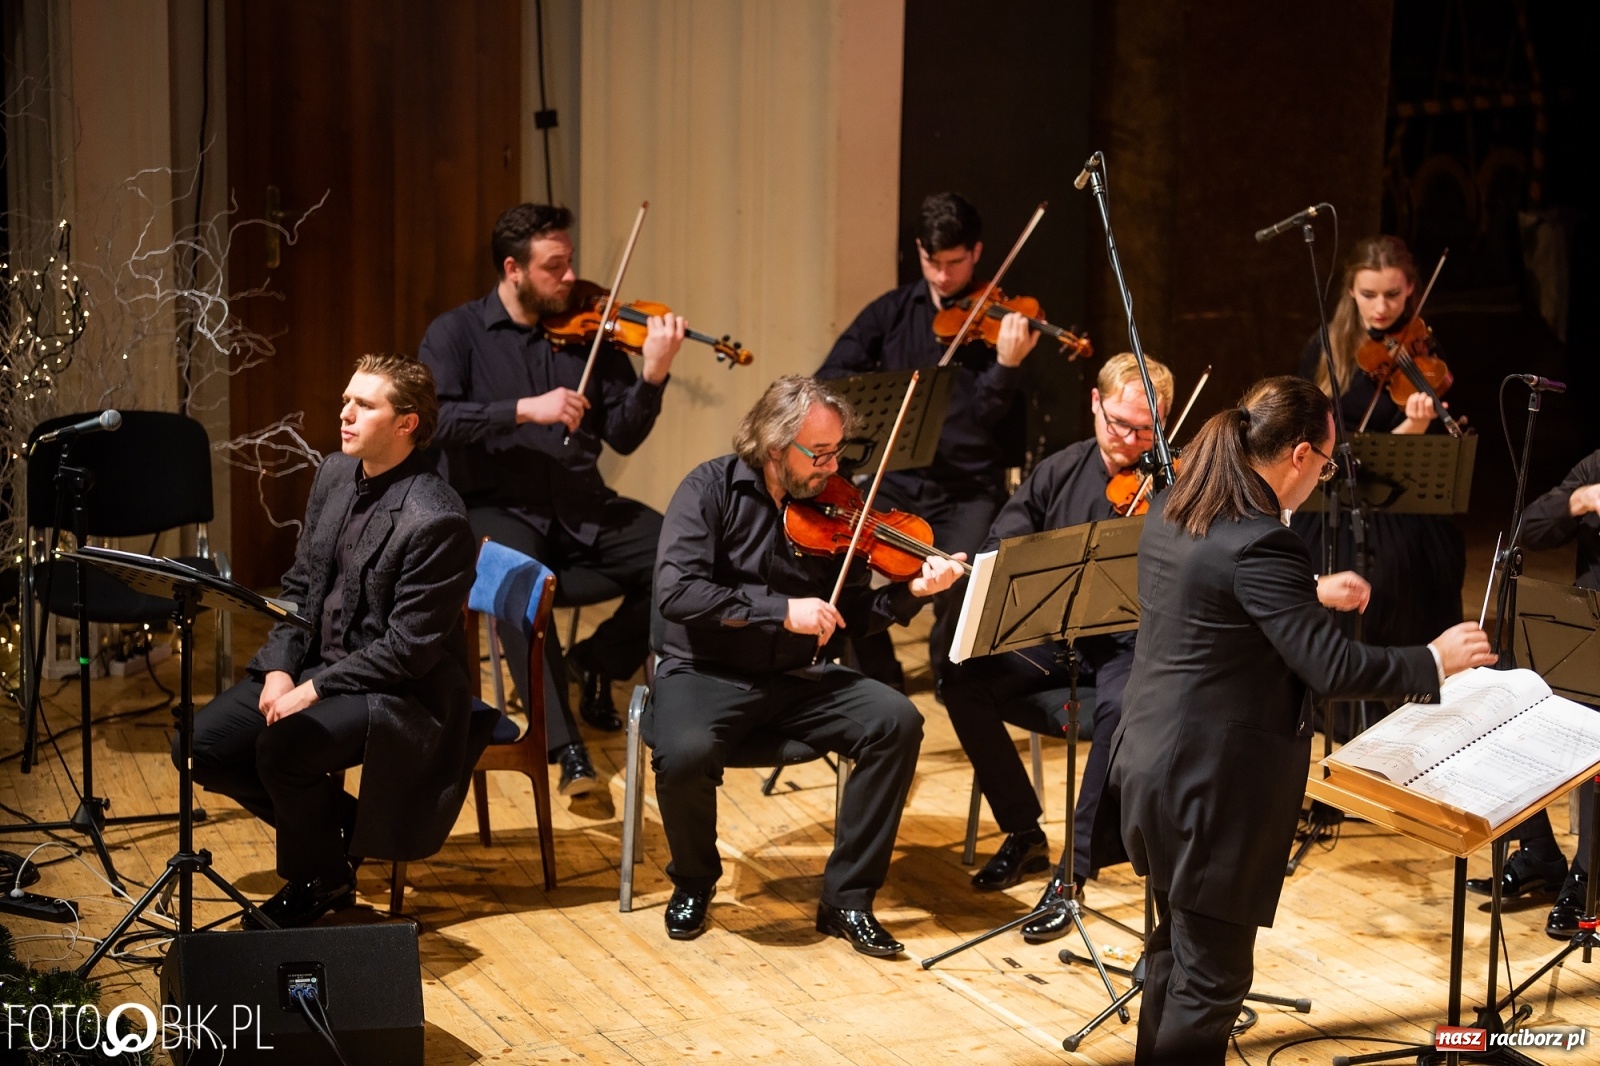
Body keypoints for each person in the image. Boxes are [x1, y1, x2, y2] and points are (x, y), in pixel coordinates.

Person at [1091, 375, 1496, 1063]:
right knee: (1212, 982)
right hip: (1211, 789)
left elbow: (1212, 591)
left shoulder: (1172, 508)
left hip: (1149, 766)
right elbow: (1332, 669)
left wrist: (1305, 593)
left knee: (1172, 958)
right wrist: (1433, 659)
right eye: (1329, 463)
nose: (1323, 477)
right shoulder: (1261, 542)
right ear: (1302, 454)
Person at [651, 376, 965, 954]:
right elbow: (678, 593)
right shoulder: (708, 489)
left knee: (896, 721)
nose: (832, 467)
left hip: (798, 678)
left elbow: (848, 613)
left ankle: (847, 898)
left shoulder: (834, 509)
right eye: (818, 454)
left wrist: (913, 592)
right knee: (684, 754)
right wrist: (778, 611)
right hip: (706, 673)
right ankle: (695, 879)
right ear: (775, 448)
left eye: (836, 452)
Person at [181, 355, 481, 928]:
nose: (344, 414)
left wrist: (312, 690)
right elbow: (302, 586)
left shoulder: (436, 518)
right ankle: (337, 842)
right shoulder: (335, 474)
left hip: (398, 691)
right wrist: (279, 669)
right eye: (346, 400)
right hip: (319, 661)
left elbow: (408, 649)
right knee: (200, 745)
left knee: (281, 750)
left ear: (406, 424)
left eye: (364, 405)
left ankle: (314, 880)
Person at [420, 203, 687, 795]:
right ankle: (565, 751)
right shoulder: (456, 333)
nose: (570, 279)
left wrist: (653, 377)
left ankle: (597, 662)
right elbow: (433, 420)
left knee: (678, 555)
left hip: (579, 503)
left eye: (570, 264)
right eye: (554, 267)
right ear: (513, 269)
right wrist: (522, 409)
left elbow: (622, 433)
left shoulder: (586, 330)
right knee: (522, 578)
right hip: (496, 505)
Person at [941, 353, 1172, 941]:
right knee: (963, 682)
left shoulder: (1179, 485)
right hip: (1057, 637)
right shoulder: (1060, 470)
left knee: (1123, 710)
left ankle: (1073, 875)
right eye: (1119, 422)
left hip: (1131, 644)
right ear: (1095, 403)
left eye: (1147, 430)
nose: (1130, 441)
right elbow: (1004, 544)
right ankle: (1023, 833)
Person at [816, 192, 1039, 695]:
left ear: (977, 252)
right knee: (838, 563)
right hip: (897, 479)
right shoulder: (892, 312)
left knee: (967, 578)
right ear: (919, 252)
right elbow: (829, 376)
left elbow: (985, 418)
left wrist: (1006, 368)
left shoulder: (1006, 324)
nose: (942, 277)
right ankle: (878, 674)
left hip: (966, 487)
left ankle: (951, 677)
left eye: (954, 263)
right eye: (931, 263)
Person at [1294, 235, 1467, 725]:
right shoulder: (1326, 347)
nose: (1382, 306)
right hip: (1333, 499)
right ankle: (1346, 711)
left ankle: (1408, 703)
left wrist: (1414, 426)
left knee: (1410, 564)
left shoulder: (1424, 347)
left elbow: (1428, 451)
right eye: (1369, 295)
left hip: (1399, 504)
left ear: (1411, 289)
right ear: (1351, 290)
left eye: (1392, 294)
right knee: (1338, 568)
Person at [1465, 447, 1599, 938]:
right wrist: (1583, 498)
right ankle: (1540, 853)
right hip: (1586, 636)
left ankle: (1587, 879)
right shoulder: (1596, 466)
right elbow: (1529, 529)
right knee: (1505, 704)